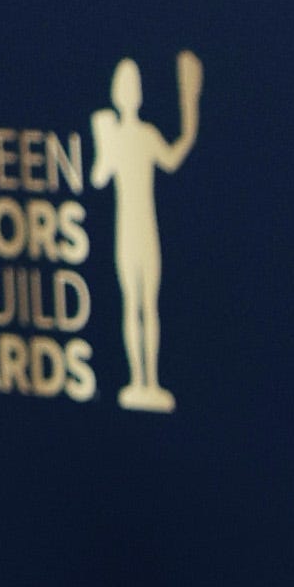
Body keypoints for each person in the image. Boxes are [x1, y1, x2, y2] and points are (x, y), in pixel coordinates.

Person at [90, 47, 199, 412]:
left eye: (134, 87)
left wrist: (190, 108)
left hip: (147, 230)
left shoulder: (147, 134)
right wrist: (101, 138)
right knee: (130, 304)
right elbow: (99, 176)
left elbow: (173, 157)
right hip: (125, 232)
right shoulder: (112, 133)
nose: (130, 93)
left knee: (149, 305)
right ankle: (136, 380)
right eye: (125, 86)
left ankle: (151, 381)